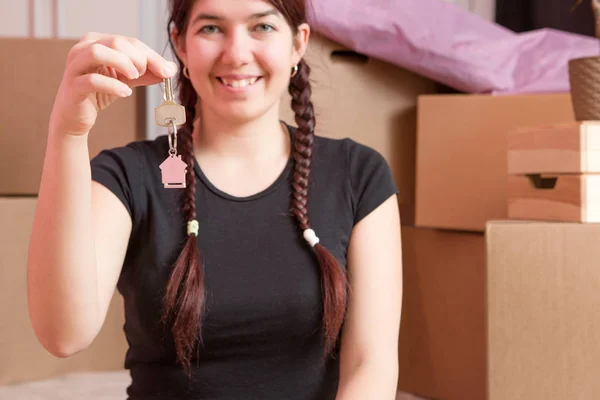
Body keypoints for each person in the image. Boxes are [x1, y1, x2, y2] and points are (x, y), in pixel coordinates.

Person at [26, 0, 403, 398]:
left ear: (298, 44)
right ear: (180, 45)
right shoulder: (127, 176)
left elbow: (370, 366)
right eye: (211, 28)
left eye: (262, 27)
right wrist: (68, 131)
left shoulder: (359, 174)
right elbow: (63, 335)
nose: (237, 54)